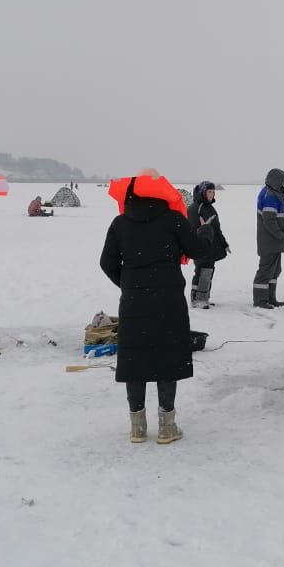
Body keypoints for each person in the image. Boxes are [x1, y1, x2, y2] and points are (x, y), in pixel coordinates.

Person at [99, 172, 203, 445]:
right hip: (169, 300)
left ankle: (137, 428)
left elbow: (106, 263)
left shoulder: (120, 223)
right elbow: (198, 250)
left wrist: (129, 284)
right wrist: (203, 231)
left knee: (136, 360)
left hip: (135, 302)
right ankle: (167, 426)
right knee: (167, 359)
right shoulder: (174, 220)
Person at [188, 181, 230, 309]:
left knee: (208, 272)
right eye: (209, 192)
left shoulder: (209, 207)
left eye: (213, 192)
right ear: (202, 192)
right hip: (200, 246)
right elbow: (192, 229)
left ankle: (203, 297)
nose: (212, 194)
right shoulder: (195, 208)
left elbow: (216, 229)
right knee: (201, 271)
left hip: (211, 246)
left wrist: (224, 243)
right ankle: (197, 299)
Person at [254, 168, 284, 309]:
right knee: (265, 272)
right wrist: (280, 235)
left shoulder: (274, 194)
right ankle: (260, 301)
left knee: (274, 271)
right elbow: (269, 221)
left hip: (274, 241)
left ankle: (270, 298)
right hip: (269, 241)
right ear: (276, 181)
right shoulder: (269, 195)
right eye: (282, 182)